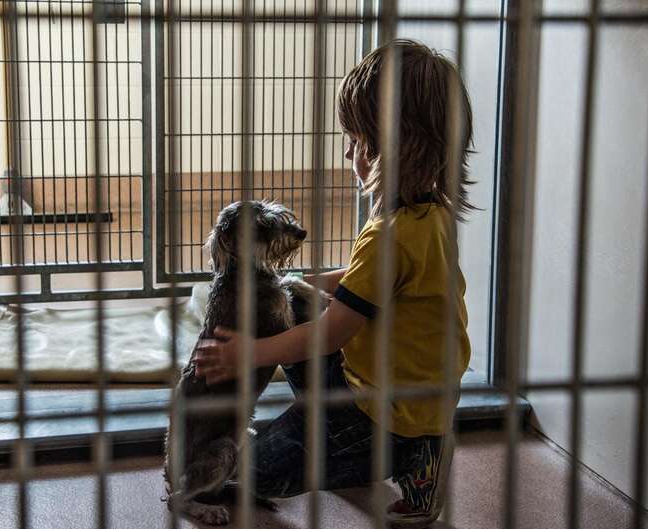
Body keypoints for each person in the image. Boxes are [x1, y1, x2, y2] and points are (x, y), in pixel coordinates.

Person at [195, 39, 474, 527]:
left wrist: (247, 354)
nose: (347, 152)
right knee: (293, 298)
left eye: (355, 139)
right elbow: (384, 285)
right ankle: (401, 440)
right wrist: (311, 282)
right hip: (413, 391)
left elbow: (330, 335)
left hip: (379, 413)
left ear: (392, 147)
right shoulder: (429, 217)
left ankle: (413, 462)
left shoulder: (389, 235)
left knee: (249, 474)